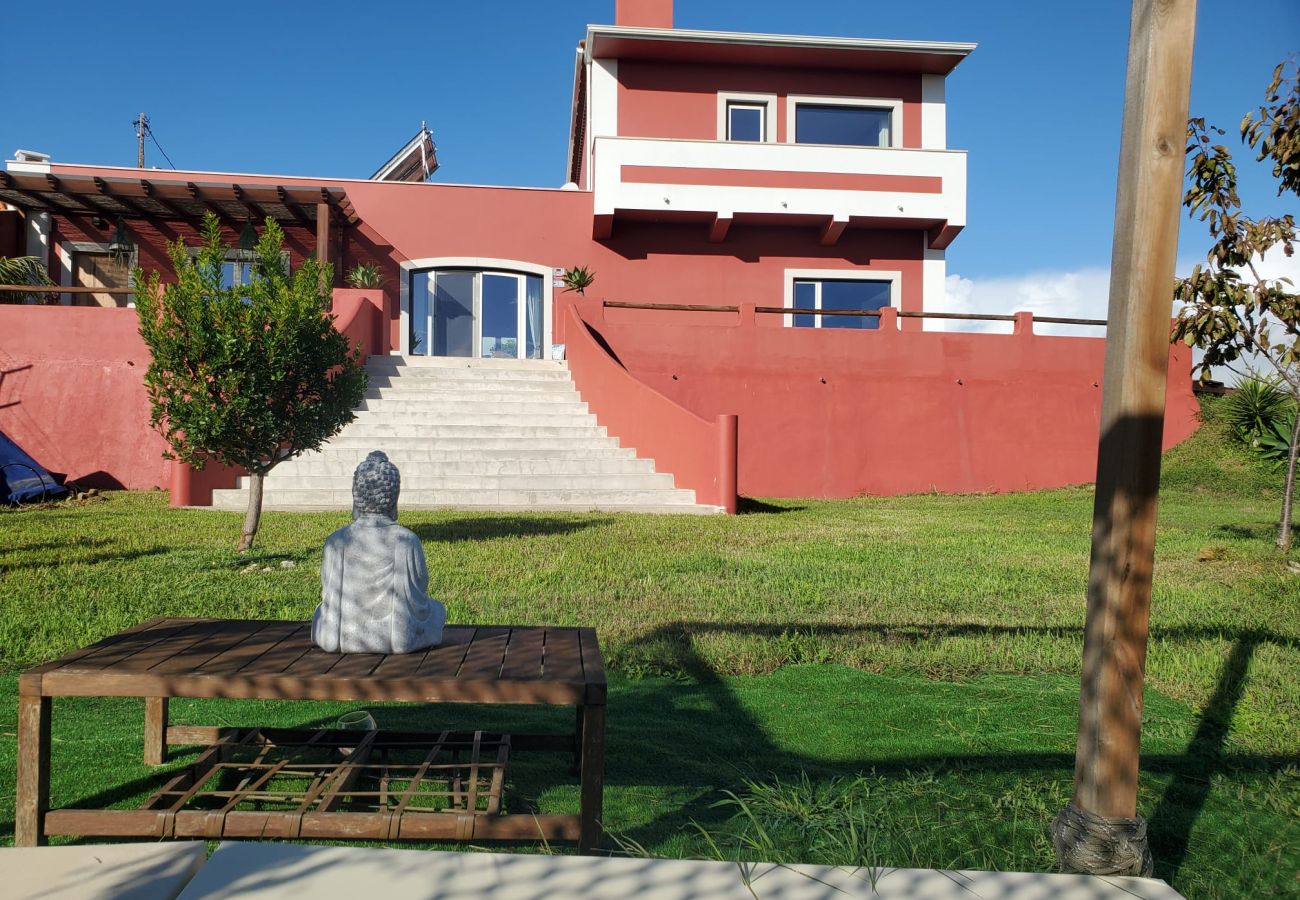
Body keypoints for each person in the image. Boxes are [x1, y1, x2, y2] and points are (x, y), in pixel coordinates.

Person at [311, 450, 445, 653]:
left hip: (342, 634)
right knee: (437, 611)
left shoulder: (337, 540)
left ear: (356, 497)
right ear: (393, 499)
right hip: (393, 634)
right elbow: (419, 586)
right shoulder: (406, 540)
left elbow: (328, 590)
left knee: (320, 612)